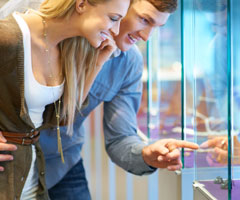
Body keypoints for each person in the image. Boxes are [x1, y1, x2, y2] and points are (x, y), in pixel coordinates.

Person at [0, 0, 199, 199]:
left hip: (60, 164)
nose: (146, 37)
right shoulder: (41, 21)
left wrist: (147, 154)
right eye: (144, 20)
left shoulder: (128, 63)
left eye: (157, 26)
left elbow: (119, 138)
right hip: (9, 162)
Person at [0, 0, 129, 199]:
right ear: (81, 4)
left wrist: (97, 63)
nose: (116, 29)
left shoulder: (66, 45)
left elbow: (62, 118)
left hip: (31, 180)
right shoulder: (8, 36)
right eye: (113, 18)